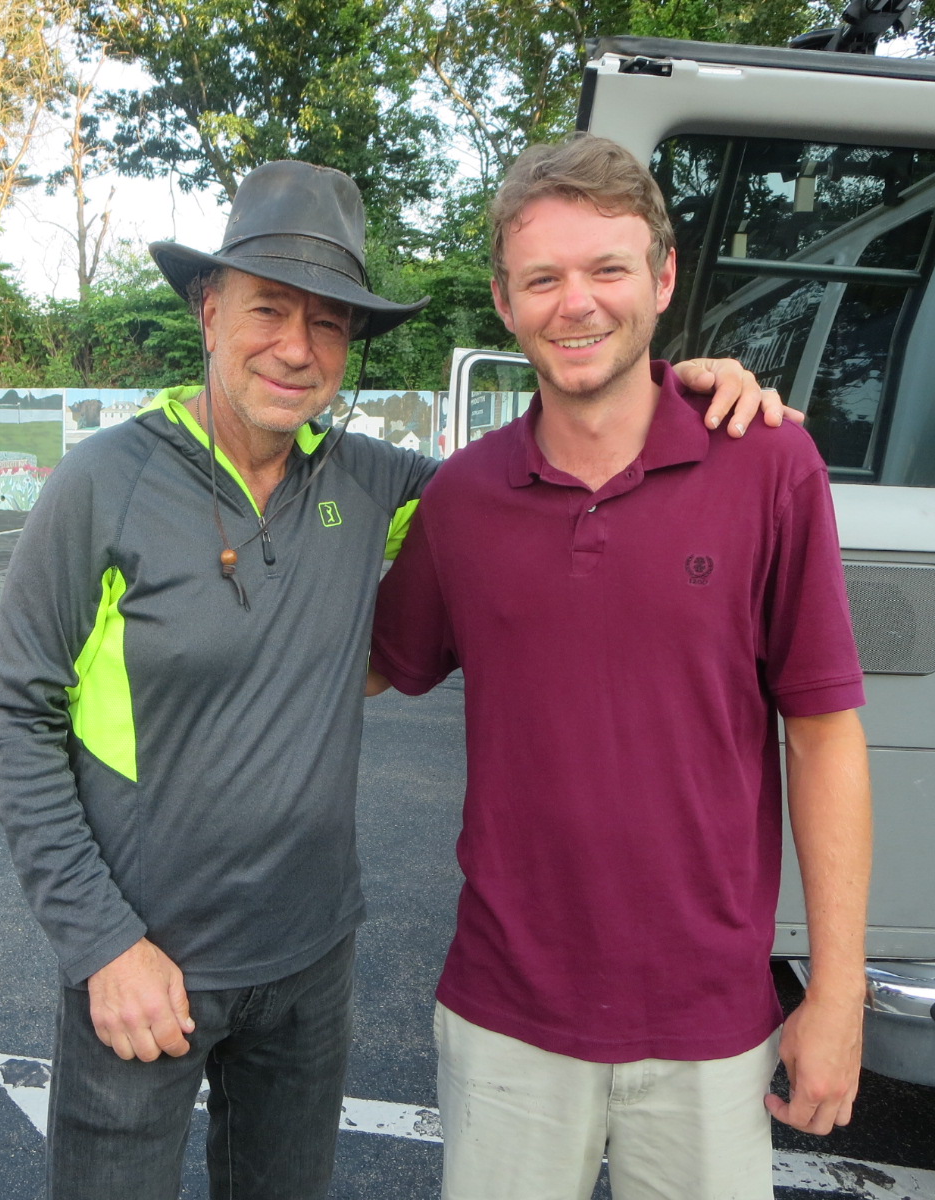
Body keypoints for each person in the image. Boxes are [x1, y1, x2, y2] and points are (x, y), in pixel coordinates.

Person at [0, 158, 786, 1200]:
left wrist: (681, 389)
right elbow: (14, 718)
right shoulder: (103, 483)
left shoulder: (374, 483)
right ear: (209, 310)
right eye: (268, 310)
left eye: (329, 325)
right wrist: (101, 944)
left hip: (309, 966)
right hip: (144, 963)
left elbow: (542, 483)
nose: (296, 347)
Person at [368, 133, 873, 1200]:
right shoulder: (461, 502)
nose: (577, 304)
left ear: (663, 277)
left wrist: (837, 992)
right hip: (506, 1018)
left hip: (709, 1022)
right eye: (542, 278)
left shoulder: (770, 465)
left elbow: (825, 735)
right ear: (503, 301)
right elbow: (364, 664)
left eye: (607, 269)